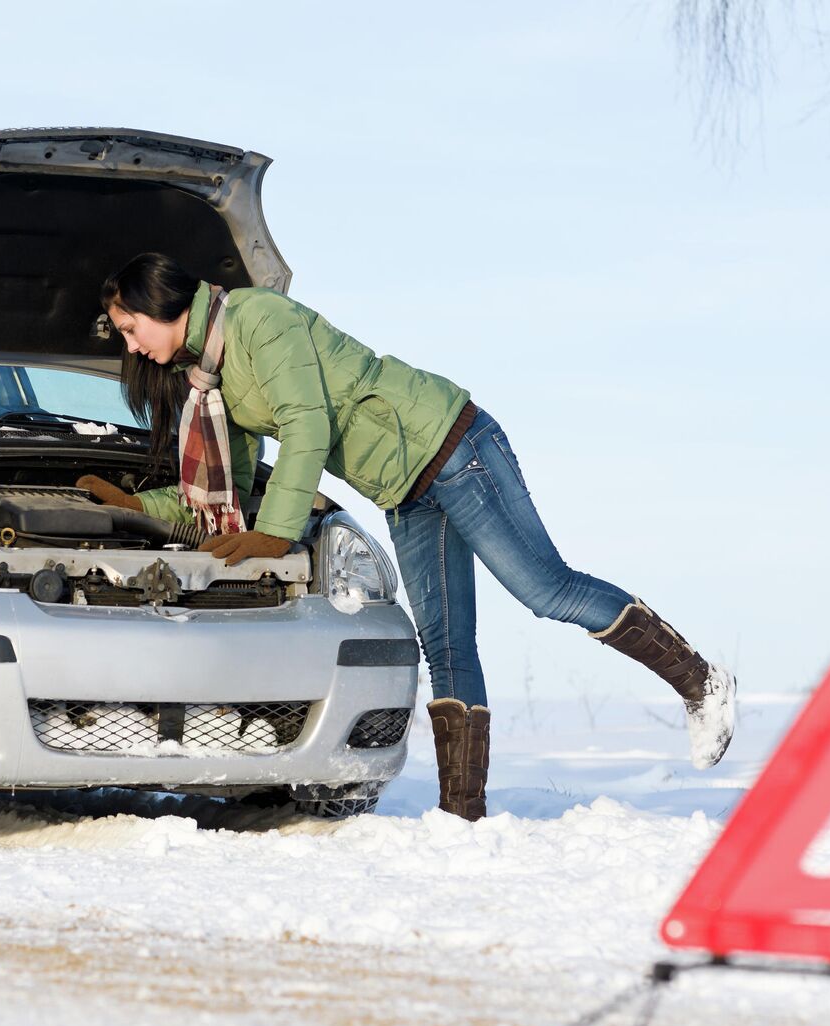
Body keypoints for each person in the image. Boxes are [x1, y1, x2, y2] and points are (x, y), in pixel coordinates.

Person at [76, 253, 734, 820]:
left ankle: (700, 682)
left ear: (159, 304)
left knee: (544, 588)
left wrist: (277, 536)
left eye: (131, 329)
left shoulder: (258, 320)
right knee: (446, 643)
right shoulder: (213, 379)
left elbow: (308, 426)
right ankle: (463, 815)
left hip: (452, 445)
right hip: (407, 489)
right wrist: (137, 503)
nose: (131, 345)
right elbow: (236, 484)